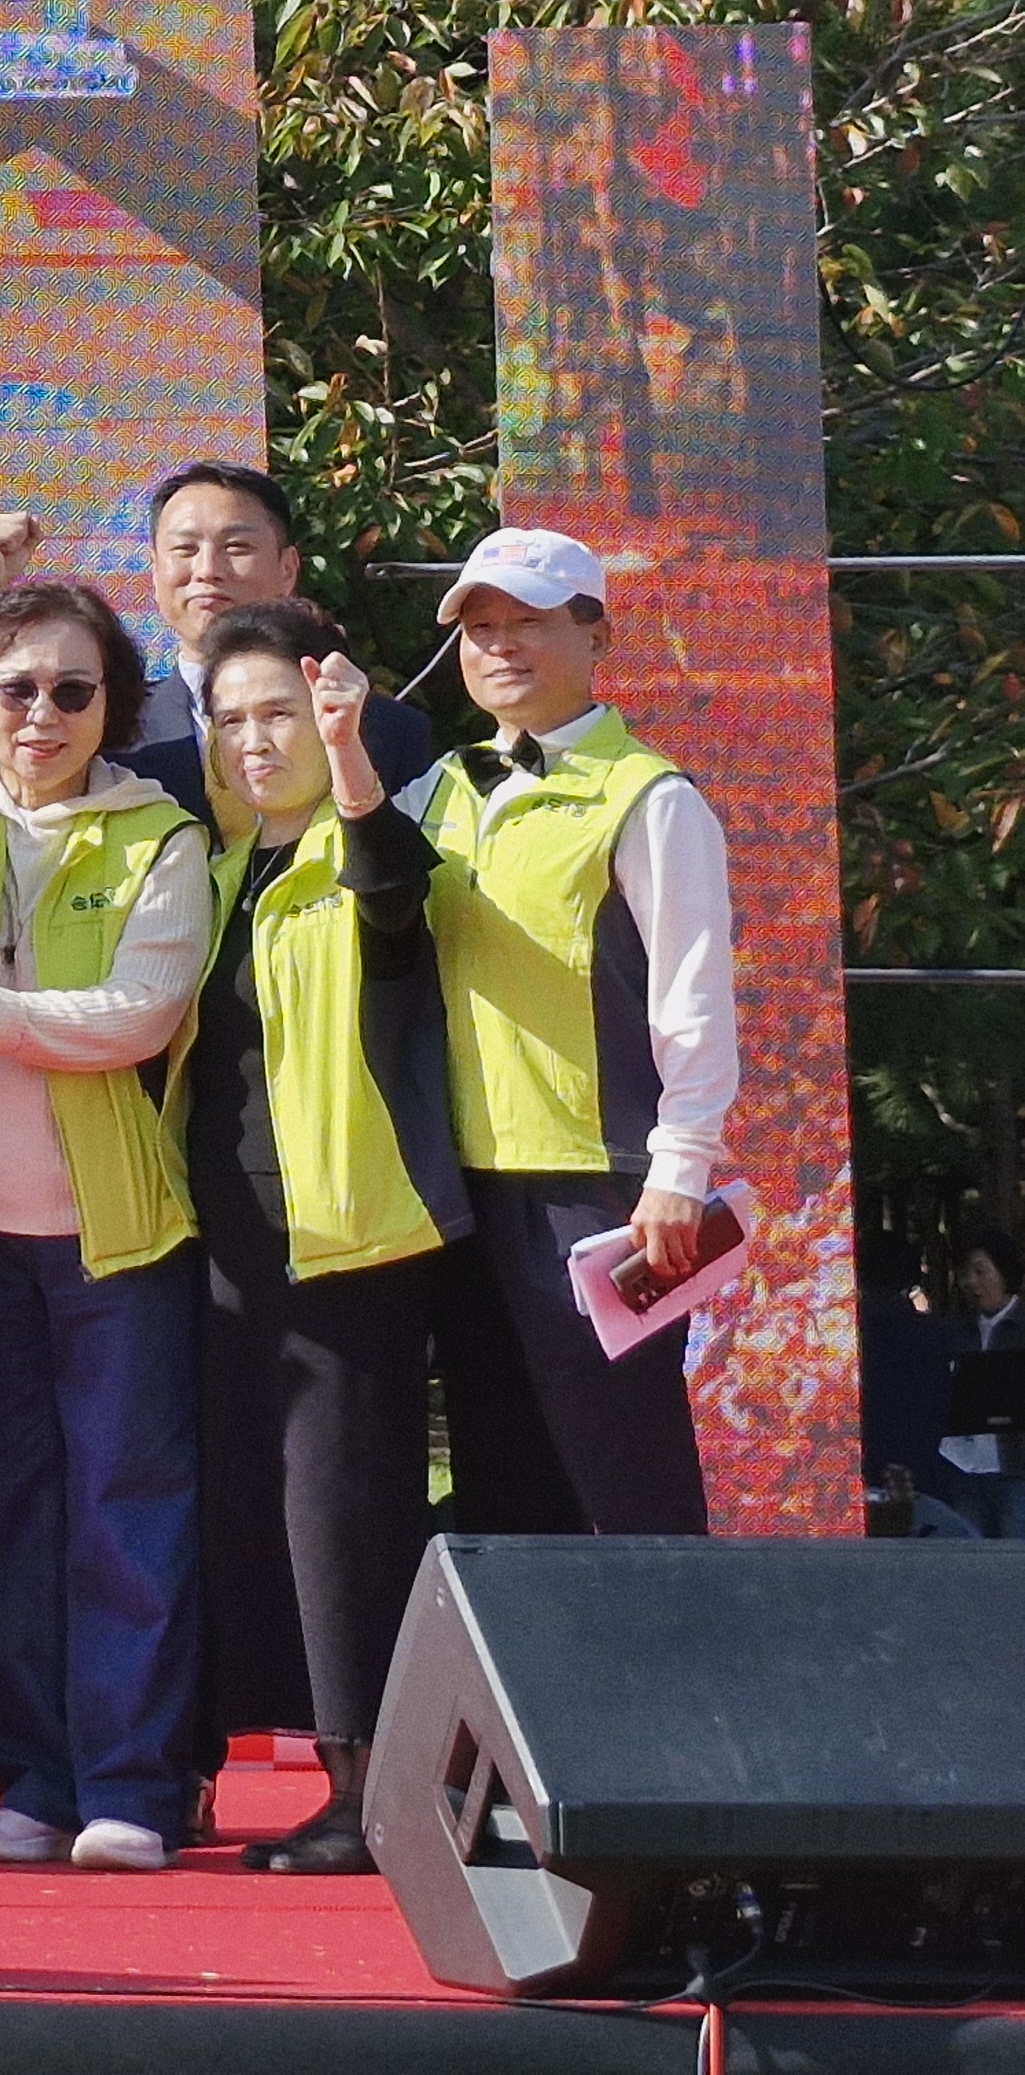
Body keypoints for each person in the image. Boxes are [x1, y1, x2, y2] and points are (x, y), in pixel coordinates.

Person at [0, 580, 210, 1872]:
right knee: (3, 1514)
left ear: (112, 706)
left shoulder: (160, 835)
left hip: (113, 1235)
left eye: (74, 691)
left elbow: (141, 1009)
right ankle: (33, 1780)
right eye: (14, 688)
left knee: (127, 1512)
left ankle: (135, 1781)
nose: (43, 714)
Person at [172, 601, 470, 1876]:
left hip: (344, 1228)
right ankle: (325, 1777)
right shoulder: (229, 866)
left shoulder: (363, 843)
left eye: (279, 713)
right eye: (230, 719)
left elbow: (395, 902)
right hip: (228, 1230)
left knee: (345, 1513)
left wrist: (351, 764)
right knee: (266, 1510)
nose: (253, 739)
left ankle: (376, 1794)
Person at [415, 527, 738, 1537]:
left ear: (594, 634)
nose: (500, 646)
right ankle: (534, 1695)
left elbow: (693, 994)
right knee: (500, 1470)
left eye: (528, 624)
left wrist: (679, 1169)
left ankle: (685, 1691)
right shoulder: (443, 791)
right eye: (480, 628)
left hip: (593, 1191)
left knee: (625, 1469)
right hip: (460, 1187)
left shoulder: (652, 797)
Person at [0, 465, 438, 804]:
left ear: (287, 569)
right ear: (154, 571)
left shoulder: (387, 733)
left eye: (236, 546)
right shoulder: (106, 724)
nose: (208, 570)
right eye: (184, 549)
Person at [934, 1232, 1025, 1537]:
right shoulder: (955, 1330)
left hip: (1014, 1470)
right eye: (963, 1274)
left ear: (1004, 1272)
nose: (971, 1282)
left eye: (980, 1270)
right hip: (962, 1467)